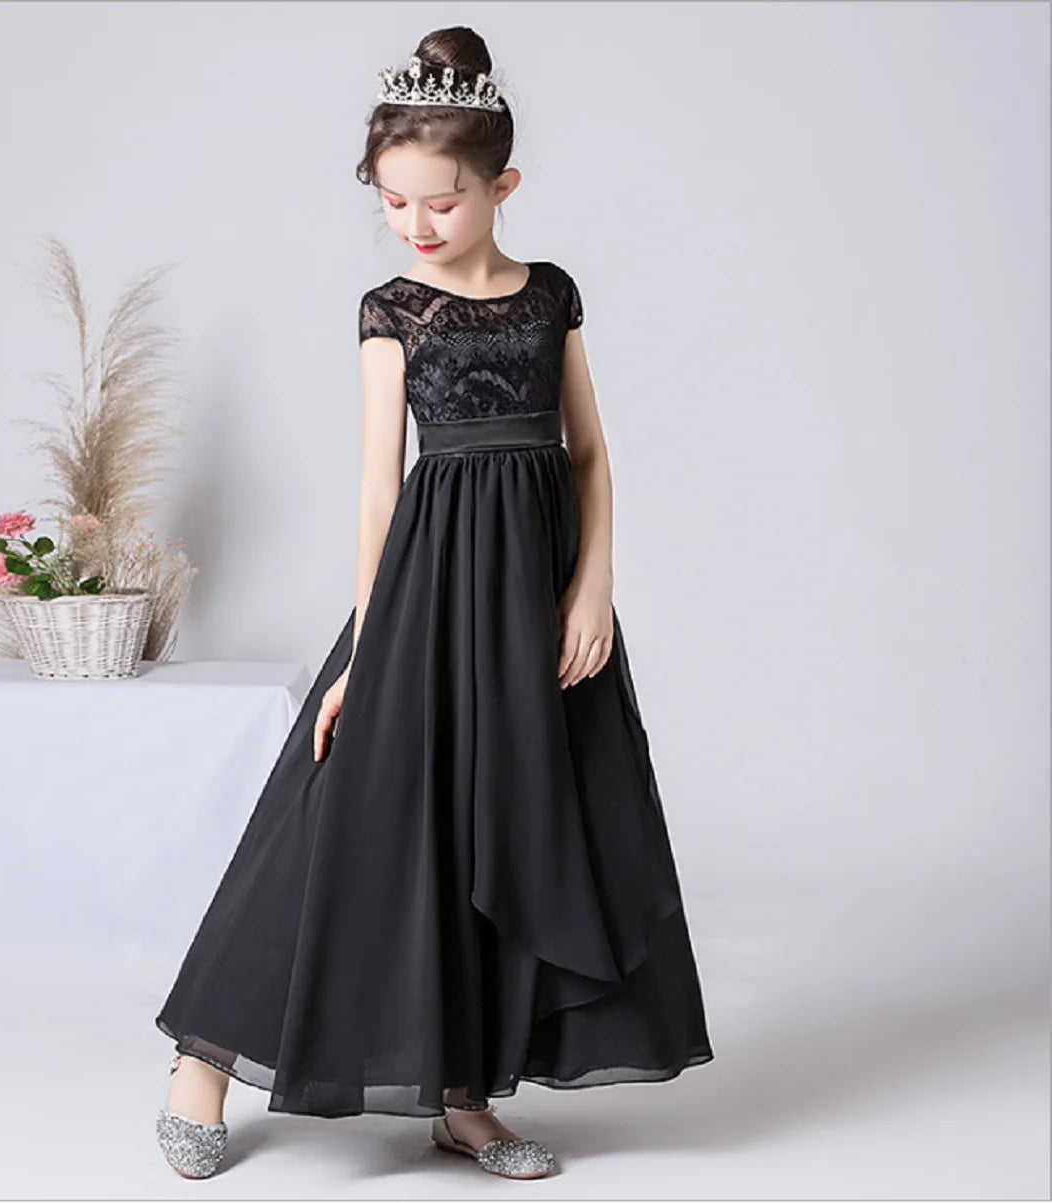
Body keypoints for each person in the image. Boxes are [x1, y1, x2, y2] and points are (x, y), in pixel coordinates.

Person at [154, 25, 715, 1182]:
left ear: (503, 186)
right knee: (352, 817)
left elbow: (589, 454)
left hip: (540, 600)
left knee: (519, 817)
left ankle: (465, 1098)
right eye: (394, 201)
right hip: (428, 591)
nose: (415, 223)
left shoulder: (549, 296)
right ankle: (200, 1060)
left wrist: (593, 588)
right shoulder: (394, 309)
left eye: (441, 202)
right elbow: (378, 490)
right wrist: (365, 653)